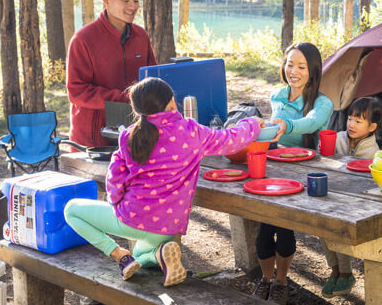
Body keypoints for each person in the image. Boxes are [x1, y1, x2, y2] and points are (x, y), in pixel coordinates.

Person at [64, 77, 261, 285]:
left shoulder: (128, 137)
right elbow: (231, 140)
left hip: (133, 218)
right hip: (169, 225)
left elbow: (114, 182)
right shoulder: (193, 132)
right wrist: (252, 123)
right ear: (172, 102)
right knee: (140, 256)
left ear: (136, 108)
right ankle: (158, 254)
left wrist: (115, 204)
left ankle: (118, 254)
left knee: (71, 210)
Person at [251, 42, 333, 305]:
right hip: (274, 168)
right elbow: (273, 130)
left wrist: (287, 125)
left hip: (304, 173)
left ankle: (282, 282)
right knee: (264, 229)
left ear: (313, 71)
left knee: (284, 230)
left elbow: (312, 123)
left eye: (301, 66)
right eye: (290, 64)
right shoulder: (277, 96)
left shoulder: (323, 103)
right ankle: (265, 279)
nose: (293, 71)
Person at [67, 0, 157, 148]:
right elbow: (77, 92)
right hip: (93, 140)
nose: (133, 6)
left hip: (135, 134)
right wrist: (125, 97)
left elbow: (151, 79)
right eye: (126, 0)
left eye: (136, 0)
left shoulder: (141, 36)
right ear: (106, 1)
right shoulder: (83, 39)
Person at [320, 96, 382, 298]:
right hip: (333, 193)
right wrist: (323, 150)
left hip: (357, 201)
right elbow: (324, 160)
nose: (351, 124)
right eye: (350, 119)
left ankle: (346, 272)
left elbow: (368, 182)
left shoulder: (373, 151)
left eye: (358, 121)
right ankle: (335, 269)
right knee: (321, 224)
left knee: (338, 229)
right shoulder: (338, 137)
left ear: (372, 127)